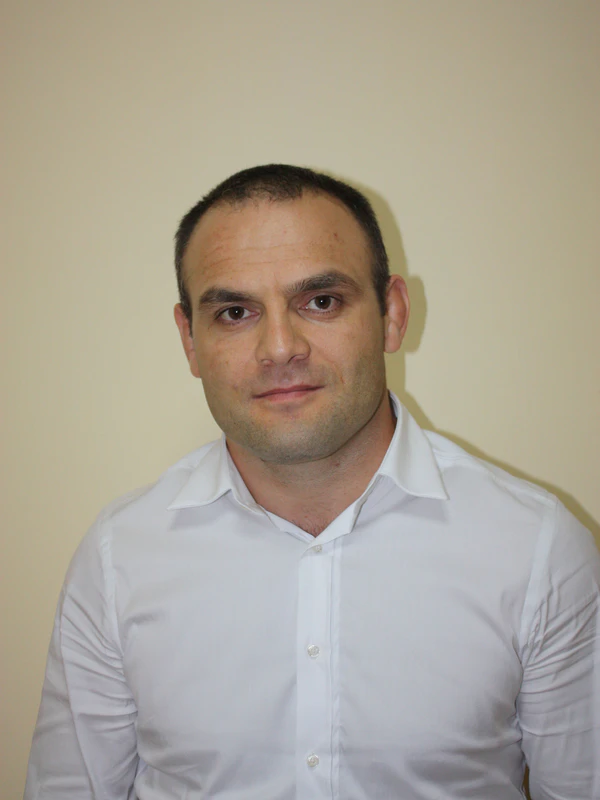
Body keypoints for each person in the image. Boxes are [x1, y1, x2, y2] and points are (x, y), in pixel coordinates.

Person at [25, 164, 599, 800]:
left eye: (320, 301)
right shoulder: (118, 558)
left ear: (392, 314)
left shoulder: (537, 549)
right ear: (189, 340)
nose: (279, 347)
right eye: (235, 312)